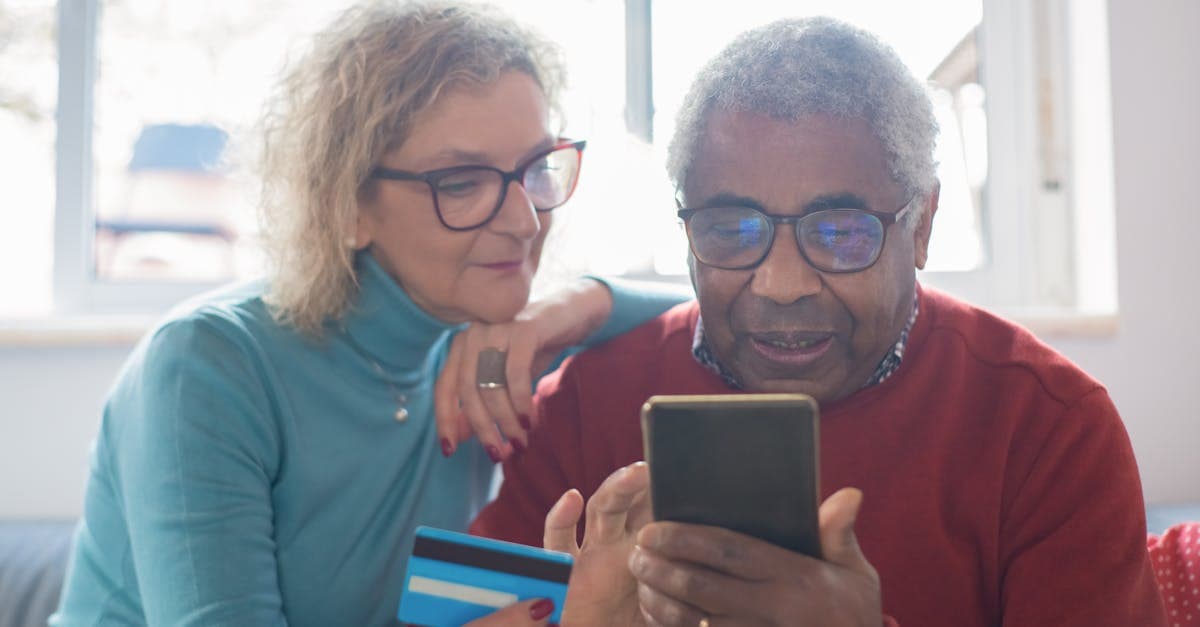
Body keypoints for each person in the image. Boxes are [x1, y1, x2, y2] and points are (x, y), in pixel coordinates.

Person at [471, 16, 1169, 627]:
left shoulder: (1048, 426)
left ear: (921, 225)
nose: (781, 284)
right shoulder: (583, 406)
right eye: (732, 228)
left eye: (839, 232)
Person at [51, 2, 687, 625]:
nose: (524, 221)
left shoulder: (477, 339)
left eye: (535, 169)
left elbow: (706, 313)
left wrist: (564, 311)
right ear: (346, 205)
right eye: (461, 183)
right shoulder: (205, 366)